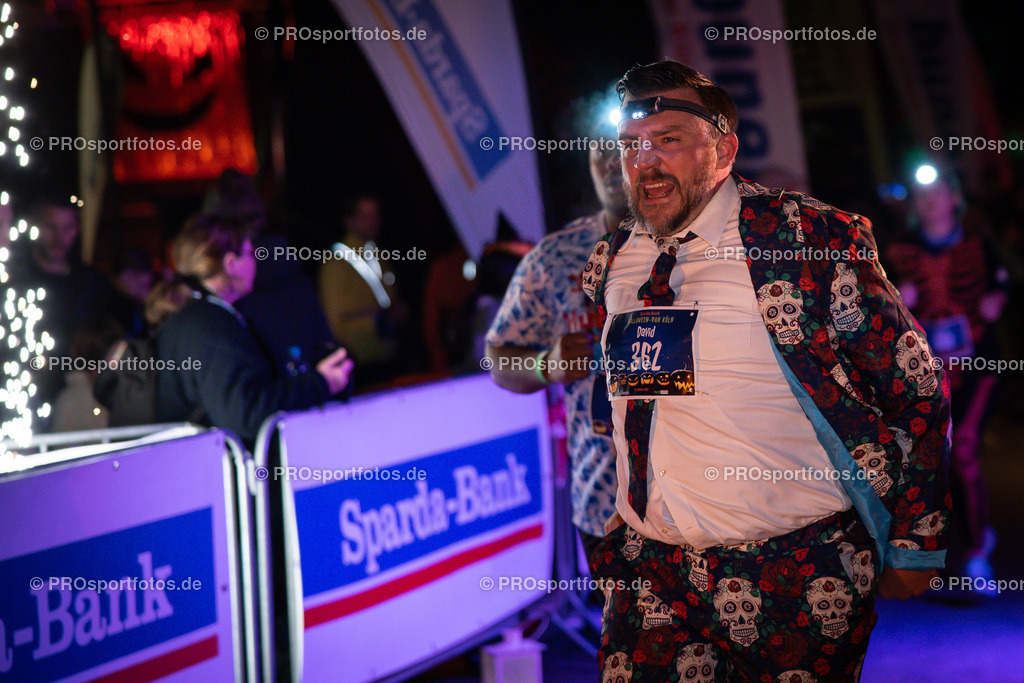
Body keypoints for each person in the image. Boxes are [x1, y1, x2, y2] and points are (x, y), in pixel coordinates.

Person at [582, 61, 950, 680]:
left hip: (796, 568)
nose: (645, 161)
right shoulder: (615, 259)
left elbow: (915, 387)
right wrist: (632, 498)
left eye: (668, 139)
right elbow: (630, 394)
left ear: (723, 150)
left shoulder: (806, 237)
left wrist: (918, 540)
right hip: (654, 569)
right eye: (630, 145)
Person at [486, 116, 628, 562]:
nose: (611, 162)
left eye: (623, 147)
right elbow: (497, 358)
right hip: (605, 501)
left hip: (700, 498)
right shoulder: (555, 255)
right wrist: (545, 365)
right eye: (599, 151)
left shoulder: (695, 245)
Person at [885, 167, 1006, 590]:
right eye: (923, 195)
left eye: (938, 192)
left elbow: (1006, 282)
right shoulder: (896, 252)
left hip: (976, 368)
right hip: (926, 373)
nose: (930, 201)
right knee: (930, 459)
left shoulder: (980, 245)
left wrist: (997, 298)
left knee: (965, 446)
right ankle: (929, 550)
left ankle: (977, 553)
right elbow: (871, 308)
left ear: (955, 198)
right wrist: (897, 301)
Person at [155, 213, 353, 445]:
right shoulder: (210, 325)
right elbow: (246, 414)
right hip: (206, 464)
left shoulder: (196, 317)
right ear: (231, 264)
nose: (256, 260)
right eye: (250, 253)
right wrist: (319, 384)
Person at [318, 194, 407, 383]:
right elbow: (335, 323)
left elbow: (390, 297)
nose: (373, 221)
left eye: (376, 215)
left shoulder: (378, 255)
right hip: (361, 363)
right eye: (364, 216)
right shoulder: (337, 263)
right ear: (348, 221)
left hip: (390, 355)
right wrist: (379, 321)